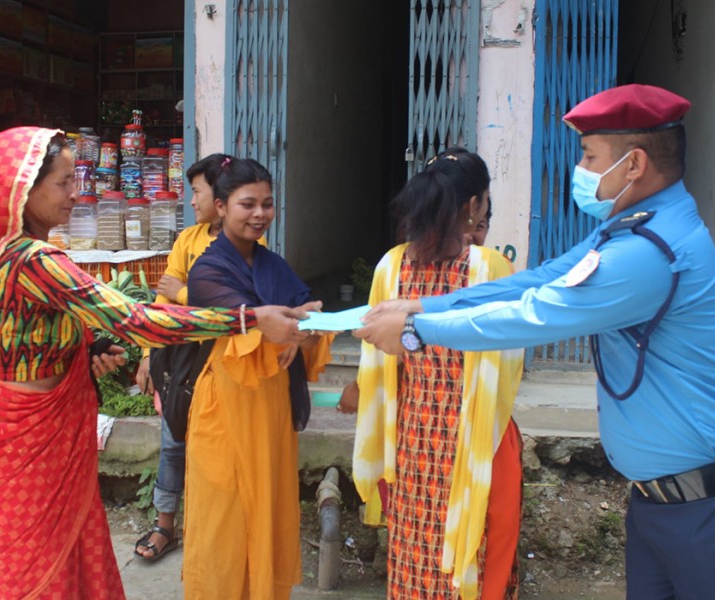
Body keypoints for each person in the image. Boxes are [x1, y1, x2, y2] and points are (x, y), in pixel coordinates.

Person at [355, 84, 715, 599]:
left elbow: (538, 314)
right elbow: (539, 279)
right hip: (657, 502)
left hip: (695, 509)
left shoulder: (649, 253)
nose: (582, 170)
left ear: (633, 165)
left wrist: (415, 330)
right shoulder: (628, 229)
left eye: (591, 157)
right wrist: (424, 306)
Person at [0, 127, 309, 599]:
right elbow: (135, 320)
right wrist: (247, 318)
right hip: (23, 449)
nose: (77, 193)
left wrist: (80, 348)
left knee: (50, 568)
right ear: (22, 191)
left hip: (9, 436)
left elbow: (10, 335)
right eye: (64, 182)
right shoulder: (33, 260)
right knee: (31, 579)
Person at [339, 149, 523, 599]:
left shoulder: (392, 265)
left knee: (413, 551)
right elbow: (507, 365)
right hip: (475, 438)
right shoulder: (488, 267)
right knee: (478, 546)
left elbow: (378, 362)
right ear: (475, 206)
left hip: (411, 437)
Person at [183, 157, 333, 599]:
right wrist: (293, 325)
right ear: (222, 206)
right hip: (227, 409)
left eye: (268, 204)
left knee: (267, 516)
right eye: (247, 204)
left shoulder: (274, 265)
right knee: (223, 526)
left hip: (271, 411)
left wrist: (300, 329)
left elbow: (312, 315)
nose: (260, 214)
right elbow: (259, 323)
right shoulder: (208, 270)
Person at [133, 152, 236, 561]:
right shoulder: (186, 240)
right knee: (173, 443)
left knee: (218, 450)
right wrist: (146, 352)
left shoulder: (244, 241)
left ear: (221, 196)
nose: (191, 201)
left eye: (197, 192)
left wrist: (182, 292)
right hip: (176, 359)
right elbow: (161, 300)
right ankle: (164, 527)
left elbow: (228, 308)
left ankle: (214, 532)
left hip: (220, 361)